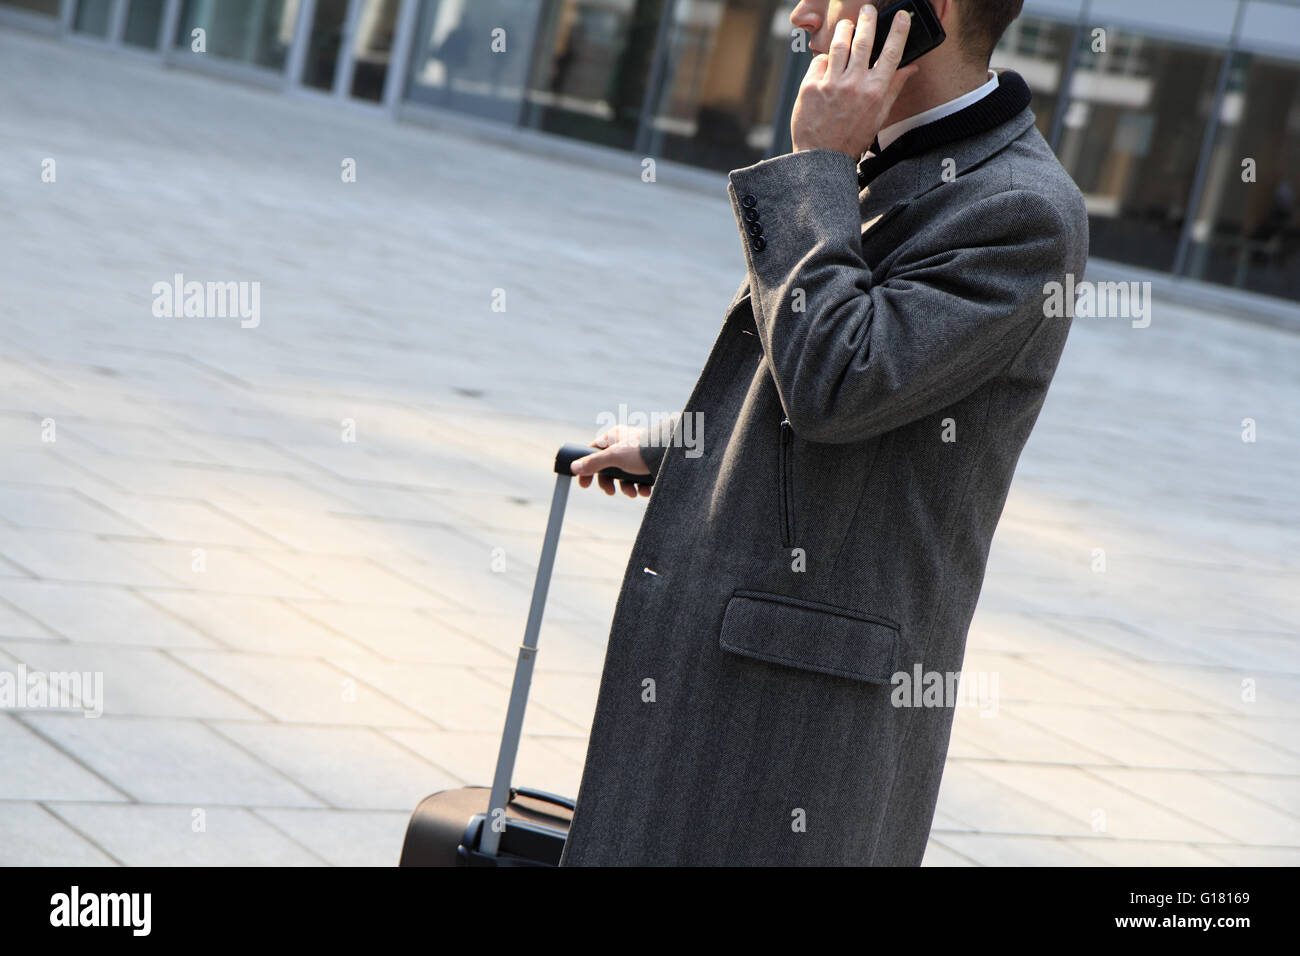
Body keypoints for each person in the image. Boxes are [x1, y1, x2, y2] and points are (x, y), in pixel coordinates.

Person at [560, 0, 1088, 866]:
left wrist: (815, 166)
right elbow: (832, 373)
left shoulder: (1022, 212)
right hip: (738, 678)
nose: (801, 14)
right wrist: (677, 445)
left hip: (799, 722)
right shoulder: (891, 159)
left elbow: (840, 384)